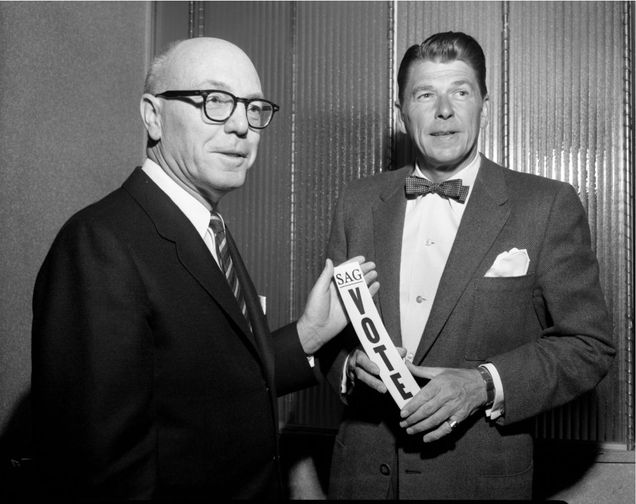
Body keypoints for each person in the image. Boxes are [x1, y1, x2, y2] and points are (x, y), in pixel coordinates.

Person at [31, 37, 377, 500]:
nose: (241, 126)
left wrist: (309, 334)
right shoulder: (98, 244)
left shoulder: (205, 227)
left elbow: (211, 383)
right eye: (215, 101)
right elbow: (101, 472)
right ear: (153, 115)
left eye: (254, 108)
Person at [320, 31, 615, 500]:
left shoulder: (546, 205)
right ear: (402, 111)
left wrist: (484, 383)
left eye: (460, 91)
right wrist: (349, 366)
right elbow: (325, 332)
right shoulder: (356, 204)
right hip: (362, 478)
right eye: (425, 95)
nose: (444, 110)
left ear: (483, 104)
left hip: (478, 481)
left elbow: (589, 345)